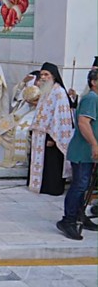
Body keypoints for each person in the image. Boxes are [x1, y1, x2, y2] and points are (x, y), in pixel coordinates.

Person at [57, 68, 98, 239]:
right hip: (83, 151)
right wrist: (94, 144)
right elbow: (83, 123)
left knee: (85, 185)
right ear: (94, 82)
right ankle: (68, 220)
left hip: (89, 151)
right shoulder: (91, 98)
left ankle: (80, 216)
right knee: (80, 185)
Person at [28, 62, 75, 195]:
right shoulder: (46, 91)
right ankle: (41, 186)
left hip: (52, 135)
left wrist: (52, 138)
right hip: (40, 135)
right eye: (41, 74)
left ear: (53, 76)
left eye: (46, 74)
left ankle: (52, 188)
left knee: (52, 164)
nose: (43, 77)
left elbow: (59, 118)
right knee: (43, 163)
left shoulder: (59, 92)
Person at [0, 85, 40, 168]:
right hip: (21, 118)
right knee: (3, 130)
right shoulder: (29, 96)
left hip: (33, 121)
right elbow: (18, 109)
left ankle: (18, 160)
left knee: (18, 132)